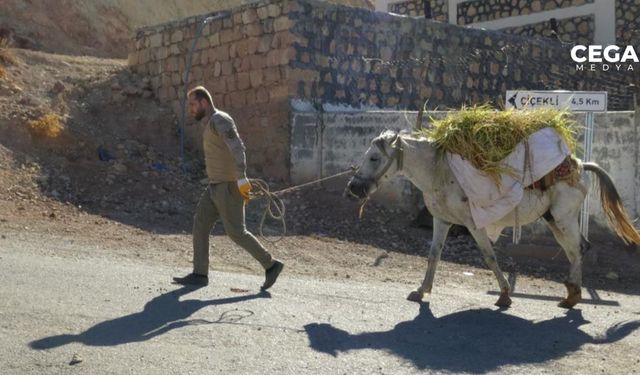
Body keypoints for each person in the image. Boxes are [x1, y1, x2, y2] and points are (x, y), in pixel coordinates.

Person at [172, 86, 284, 290]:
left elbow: (238, 148)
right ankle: (199, 274)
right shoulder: (211, 123)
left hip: (229, 187)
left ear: (204, 103)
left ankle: (271, 265)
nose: (190, 109)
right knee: (200, 224)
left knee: (236, 233)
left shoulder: (220, 120)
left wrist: (241, 178)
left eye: (193, 104)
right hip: (214, 187)